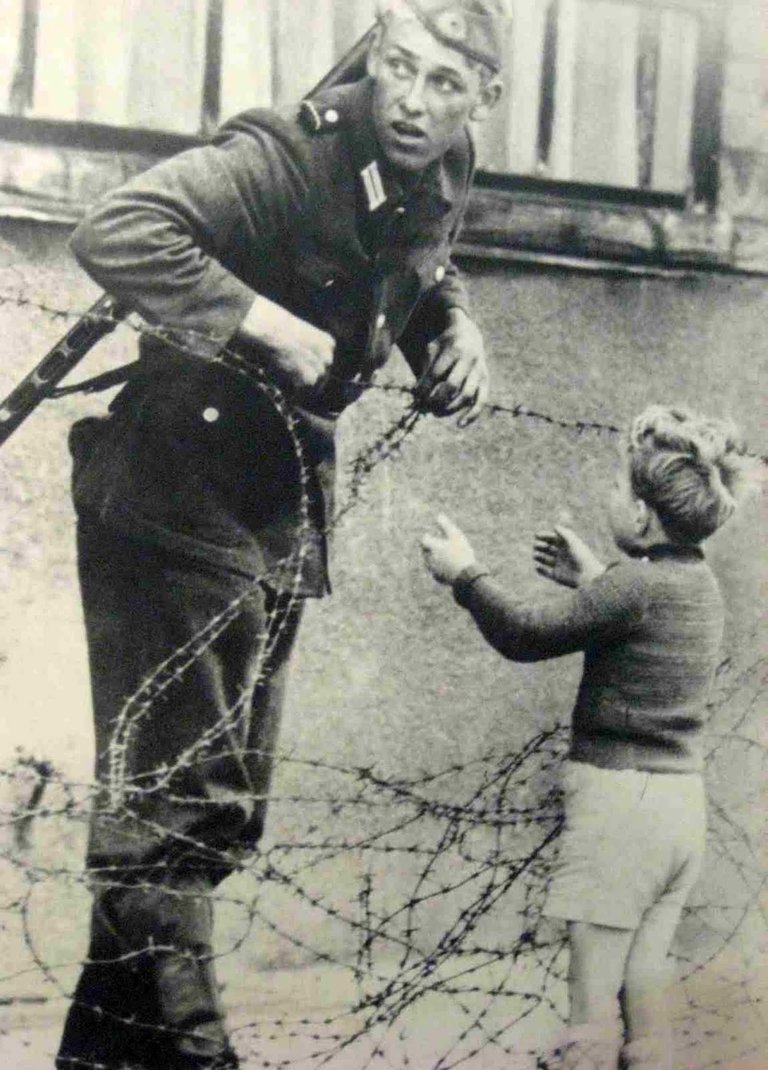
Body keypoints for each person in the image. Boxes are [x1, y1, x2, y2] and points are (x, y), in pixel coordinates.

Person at [55, 3, 507, 1069]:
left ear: (482, 99)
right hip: (175, 494)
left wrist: (454, 328)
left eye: (445, 83)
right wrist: (262, 320)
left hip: (277, 507)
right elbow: (115, 228)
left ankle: (99, 1056)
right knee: (177, 808)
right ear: (376, 57)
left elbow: (426, 260)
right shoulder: (287, 150)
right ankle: (205, 1054)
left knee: (209, 811)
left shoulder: (445, 166)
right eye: (399, 67)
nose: (411, 99)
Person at [420, 405, 756, 1070]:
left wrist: (465, 574)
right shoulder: (699, 586)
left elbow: (524, 634)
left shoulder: (633, 586)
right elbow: (644, 622)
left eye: (617, 488)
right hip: (678, 808)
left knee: (590, 1002)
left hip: (619, 809)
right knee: (645, 980)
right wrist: (596, 581)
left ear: (641, 516)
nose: (608, 496)